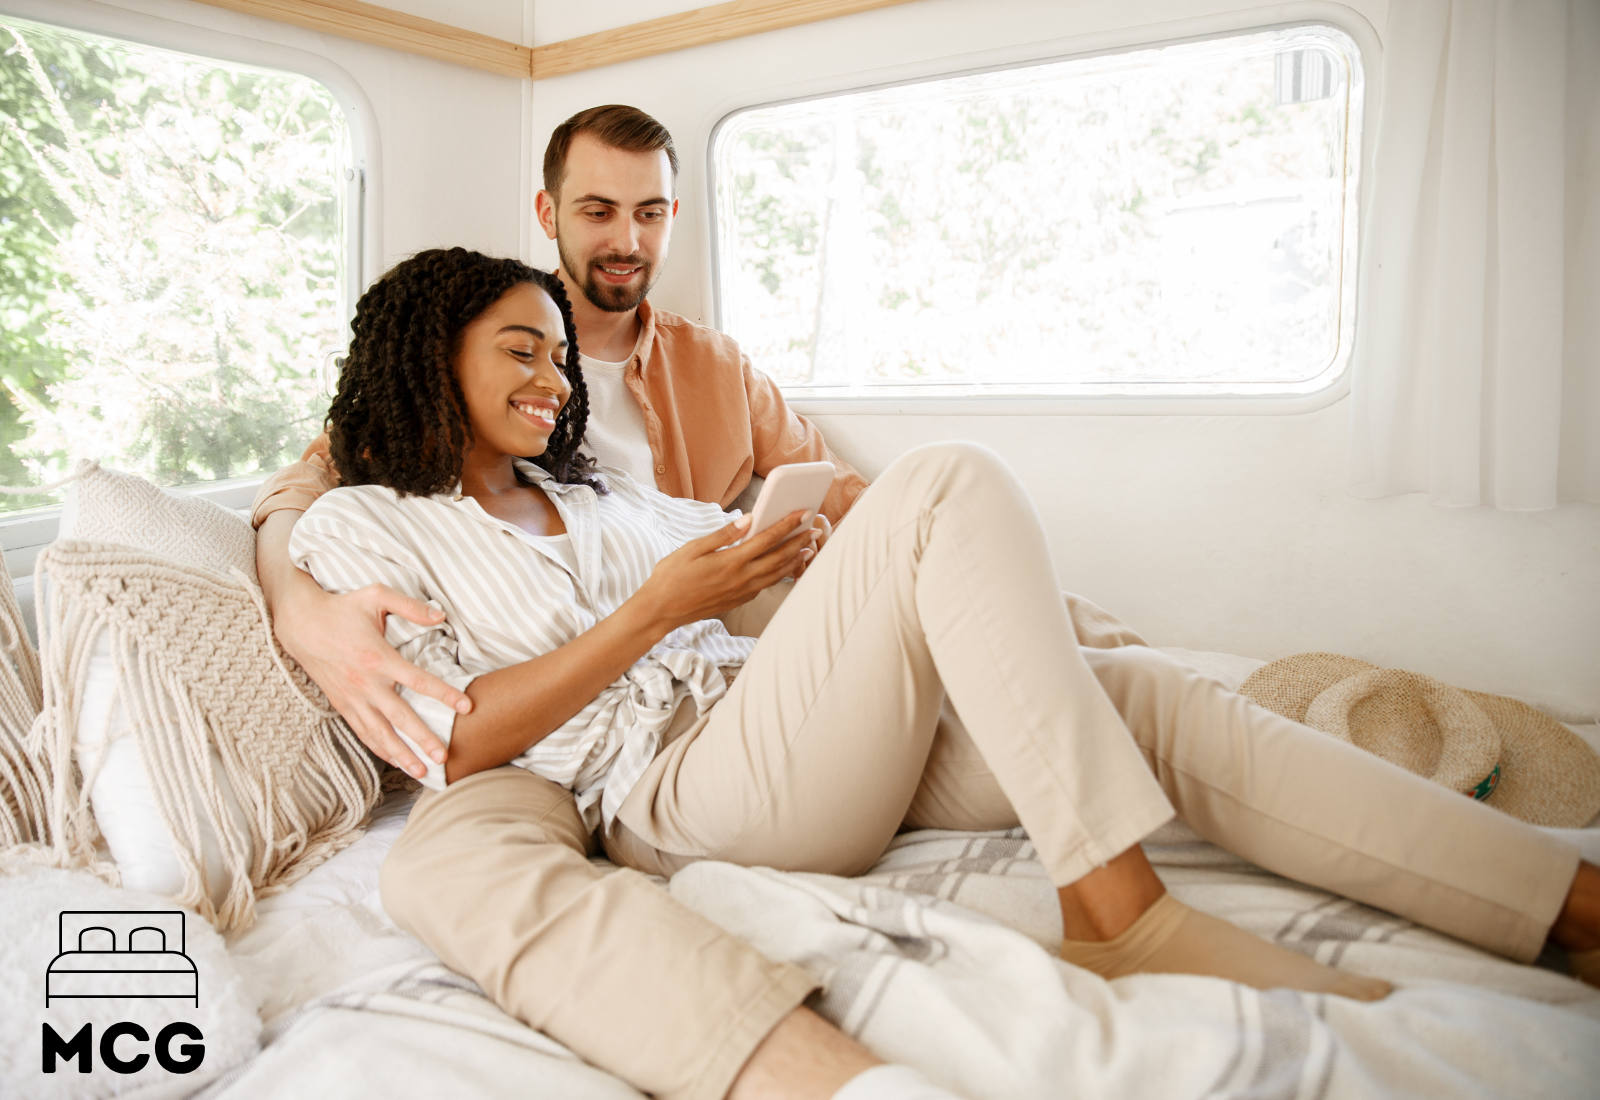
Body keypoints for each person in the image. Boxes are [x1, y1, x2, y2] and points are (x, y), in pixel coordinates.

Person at [291, 248, 1600, 1099]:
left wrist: (799, 540)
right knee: (949, 481)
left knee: (1128, 697)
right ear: (430, 353)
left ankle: (1563, 906)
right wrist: (651, 615)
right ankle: (1121, 911)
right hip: (677, 795)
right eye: (520, 348)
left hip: (768, 718)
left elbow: (723, 558)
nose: (554, 375)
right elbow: (452, 743)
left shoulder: (600, 488)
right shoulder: (360, 529)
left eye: (560, 353)